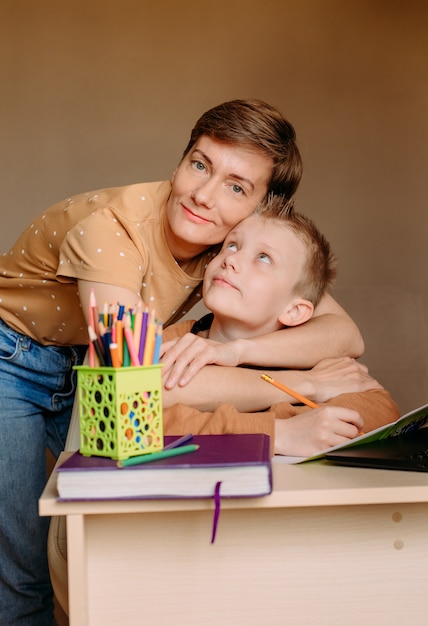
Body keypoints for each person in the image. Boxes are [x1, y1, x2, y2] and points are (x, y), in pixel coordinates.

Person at [0, 98, 362, 625]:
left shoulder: (229, 245)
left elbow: (343, 333)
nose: (204, 196)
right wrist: (298, 387)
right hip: (14, 356)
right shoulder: (114, 230)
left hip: (81, 359)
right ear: (180, 161)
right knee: (22, 560)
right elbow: (135, 386)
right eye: (199, 164)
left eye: (237, 186)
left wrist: (231, 350)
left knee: (98, 537)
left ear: (262, 209)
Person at [160, 195, 399, 456]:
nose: (232, 260)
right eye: (231, 245)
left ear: (295, 311)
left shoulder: (311, 358)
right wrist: (277, 429)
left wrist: (208, 423)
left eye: (263, 258)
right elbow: (140, 422)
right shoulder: (171, 340)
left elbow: (381, 412)